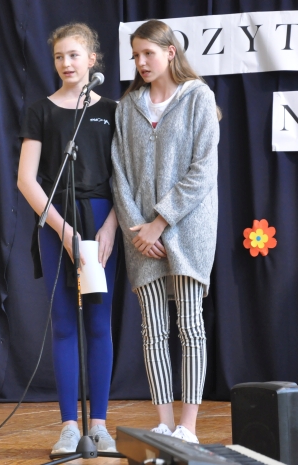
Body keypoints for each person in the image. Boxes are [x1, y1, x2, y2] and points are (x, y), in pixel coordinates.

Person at [111, 20, 220, 444]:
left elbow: (203, 169)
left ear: (170, 52)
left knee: (190, 325)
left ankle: (187, 427)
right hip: (140, 236)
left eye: (148, 54)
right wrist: (138, 230)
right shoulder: (127, 107)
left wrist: (161, 221)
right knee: (152, 329)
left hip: (188, 231)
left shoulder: (198, 97)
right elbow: (119, 174)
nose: (141, 62)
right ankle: (163, 421)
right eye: (135, 55)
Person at [17, 23, 119, 454]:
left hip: (100, 221)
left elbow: (125, 179)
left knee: (98, 323)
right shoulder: (40, 110)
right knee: (63, 323)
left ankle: (99, 426)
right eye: (59, 56)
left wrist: (110, 226)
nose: (66, 63)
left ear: (92, 59)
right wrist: (62, 230)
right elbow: (26, 179)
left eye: (74, 55)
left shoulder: (112, 110)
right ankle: (68, 427)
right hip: (56, 220)